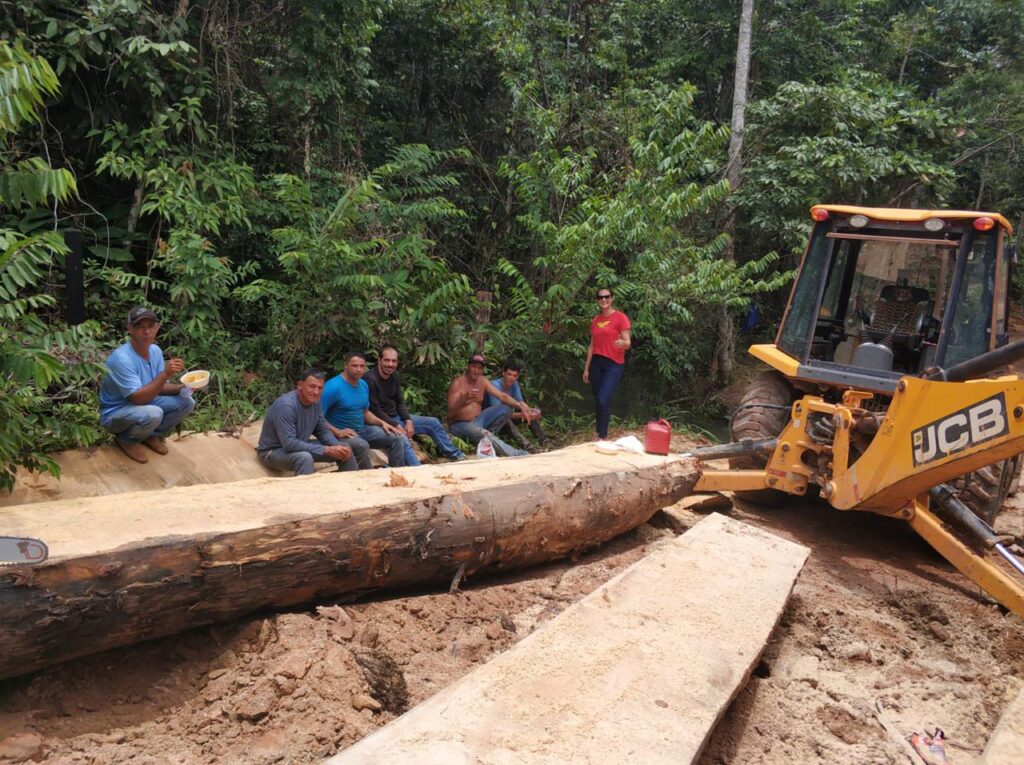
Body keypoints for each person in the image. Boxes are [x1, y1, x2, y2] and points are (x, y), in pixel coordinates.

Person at [98, 305, 196, 464]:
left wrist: (183, 387)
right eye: (140, 327)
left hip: (145, 403)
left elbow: (159, 387)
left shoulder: (155, 350)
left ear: (157, 327)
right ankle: (127, 440)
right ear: (130, 329)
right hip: (115, 413)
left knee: (187, 402)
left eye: (151, 326)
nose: (147, 331)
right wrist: (165, 374)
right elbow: (138, 399)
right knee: (153, 413)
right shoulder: (122, 359)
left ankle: (150, 435)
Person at [365, 345, 466, 464]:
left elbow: (400, 401)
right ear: (379, 360)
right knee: (402, 439)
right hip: (382, 423)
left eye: (394, 361)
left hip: (397, 418)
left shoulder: (395, 376)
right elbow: (375, 410)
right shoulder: (369, 379)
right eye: (387, 360)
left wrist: (408, 420)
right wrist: (396, 425)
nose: (390, 364)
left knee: (433, 423)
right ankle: (416, 469)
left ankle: (457, 456)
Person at [256, 370, 358, 475]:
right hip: (274, 452)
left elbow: (322, 431)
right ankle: (307, 491)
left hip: (300, 445)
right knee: (304, 457)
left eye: (320, 388)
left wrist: (336, 446)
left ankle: (352, 488)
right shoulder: (286, 406)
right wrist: (326, 449)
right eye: (312, 386)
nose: (316, 392)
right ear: (300, 385)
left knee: (344, 449)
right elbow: (289, 444)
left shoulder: (316, 403)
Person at [321, 351, 409, 468]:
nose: (359, 369)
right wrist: (338, 432)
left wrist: (383, 423)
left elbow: (365, 412)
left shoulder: (363, 384)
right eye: (355, 366)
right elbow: (317, 416)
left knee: (398, 437)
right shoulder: (333, 387)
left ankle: (396, 474)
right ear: (345, 365)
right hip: (341, 434)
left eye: (362, 366)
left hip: (362, 430)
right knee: (361, 445)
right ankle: (366, 477)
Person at [447, 354, 533, 457]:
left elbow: (502, 396)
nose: (476, 371)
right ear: (468, 367)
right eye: (474, 367)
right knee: (483, 434)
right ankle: (516, 453)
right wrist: (464, 398)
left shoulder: (482, 381)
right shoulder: (458, 383)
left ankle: (488, 441)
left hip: (479, 420)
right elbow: (450, 413)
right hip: (460, 424)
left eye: (479, 368)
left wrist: (521, 406)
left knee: (507, 408)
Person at [582, 288, 631, 440]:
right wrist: (586, 368)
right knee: (599, 399)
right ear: (597, 300)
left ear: (612, 298)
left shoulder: (620, 317)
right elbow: (591, 345)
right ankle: (598, 433)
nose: (603, 300)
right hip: (596, 362)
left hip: (613, 364)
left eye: (606, 297)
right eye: (600, 297)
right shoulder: (595, 320)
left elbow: (628, 342)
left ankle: (602, 435)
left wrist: (622, 342)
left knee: (604, 398)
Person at [484, 359, 550, 451]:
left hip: (507, 416)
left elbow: (521, 402)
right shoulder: (495, 385)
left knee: (528, 413)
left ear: (517, 376)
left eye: (514, 376)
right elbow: (497, 413)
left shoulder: (514, 383)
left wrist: (530, 412)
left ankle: (545, 441)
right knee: (507, 419)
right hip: (492, 421)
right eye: (509, 374)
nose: (511, 378)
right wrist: (523, 414)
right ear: (503, 373)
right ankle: (528, 447)